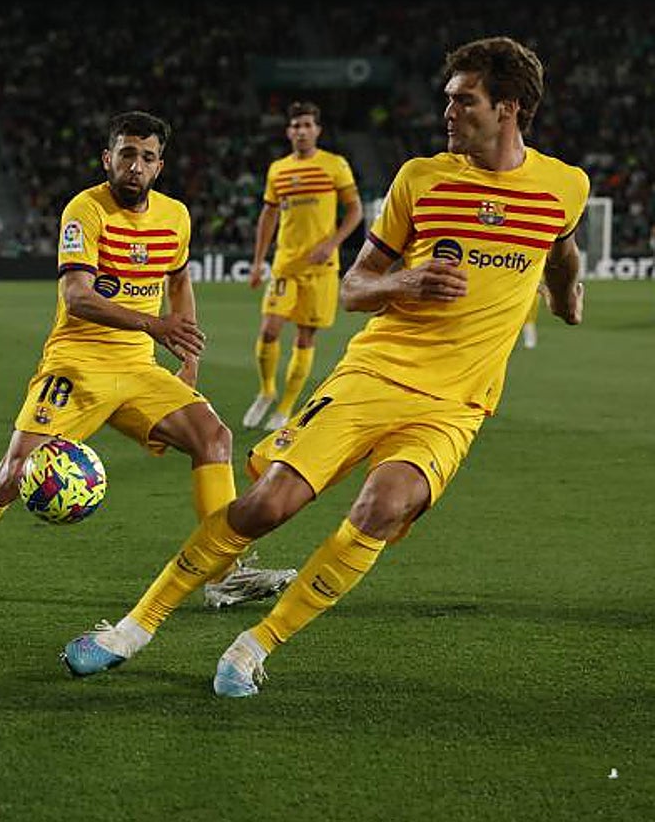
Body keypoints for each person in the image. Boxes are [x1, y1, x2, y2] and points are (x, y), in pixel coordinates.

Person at [61, 36, 588, 697]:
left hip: (456, 404)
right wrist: (405, 282)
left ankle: (253, 647)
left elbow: (562, 249)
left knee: (384, 506)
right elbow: (355, 287)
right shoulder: (421, 179)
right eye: (449, 99)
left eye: (464, 100)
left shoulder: (564, 186)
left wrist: (565, 297)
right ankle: (132, 630)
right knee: (266, 506)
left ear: (509, 107)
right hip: (374, 376)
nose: (448, 112)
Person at [0, 111, 297, 612]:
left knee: (214, 438)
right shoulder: (85, 209)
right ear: (107, 158)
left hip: (138, 368)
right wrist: (155, 326)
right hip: (77, 365)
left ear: (159, 167)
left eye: (148, 157)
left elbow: (179, 281)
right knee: (14, 474)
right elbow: (77, 296)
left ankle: (223, 574)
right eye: (127, 154)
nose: (136, 166)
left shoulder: (175, 216)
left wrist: (188, 356)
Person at [241, 102, 363, 432]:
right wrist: (258, 262)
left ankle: (285, 407)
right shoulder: (278, 169)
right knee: (269, 329)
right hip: (285, 265)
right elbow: (268, 216)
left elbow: (355, 211)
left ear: (317, 130)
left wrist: (332, 243)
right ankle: (266, 391)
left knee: (305, 337)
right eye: (296, 125)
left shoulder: (335, 164)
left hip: (322, 267)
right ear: (288, 131)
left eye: (308, 125)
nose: (302, 131)